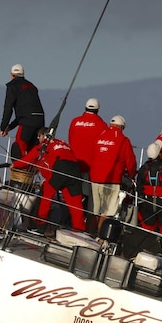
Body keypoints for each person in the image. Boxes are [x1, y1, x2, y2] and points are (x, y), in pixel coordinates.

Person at [11, 127, 86, 235]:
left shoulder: (43, 146)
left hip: (61, 167)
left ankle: (40, 225)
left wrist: (14, 164)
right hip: (74, 169)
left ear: (44, 136)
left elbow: (29, 159)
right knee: (75, 201)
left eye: (39, 136)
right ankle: (79, 230)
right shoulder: (62, 144)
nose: (38, 138)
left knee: (46, 193)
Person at [90, 115, 137, 232]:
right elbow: (130, 162)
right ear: (121, 127)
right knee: (107, 211)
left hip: (94, 177)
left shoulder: (99, 136)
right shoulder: (123, 140)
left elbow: (92, 154)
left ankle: (88, 234)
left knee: (94, 210)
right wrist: (131, 175)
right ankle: (100, 237)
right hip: (112, 180)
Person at [68, 98, 107, 232]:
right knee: (87, 197)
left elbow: (70, 138)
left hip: (73, 164)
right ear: (98, 109)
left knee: (74, 195)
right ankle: (82, 226)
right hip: (89, 168)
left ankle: (70, 222)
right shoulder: (102, 125)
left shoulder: (74, 121)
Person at [0, 64, 45, 159]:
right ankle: (32, 170)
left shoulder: (12, 86)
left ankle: (20, 171)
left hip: (27, 122)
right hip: (40, 121)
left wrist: (3, 127)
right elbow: (25, 113)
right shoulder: (32, 86)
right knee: (34, 148)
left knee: (19, 145)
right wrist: (10, 127)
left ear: (11, 75)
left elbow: (8, 108)